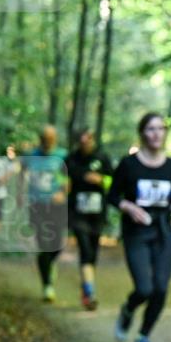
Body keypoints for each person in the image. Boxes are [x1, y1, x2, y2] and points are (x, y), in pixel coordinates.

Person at [108, 113, 171, 342]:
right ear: (142, 133)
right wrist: (130, 207)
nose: (156, 133)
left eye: (160, 128)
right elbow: (113, 196)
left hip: (162, 232)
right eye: (150, 128)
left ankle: (143, 336)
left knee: (160, 288)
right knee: (144, 288)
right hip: (136, 233)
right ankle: (128, 310)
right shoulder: (129, 164)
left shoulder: (170, 166)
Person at [66, 129, 114, 310]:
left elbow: (114, 182)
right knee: (85, 249)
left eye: (88, 139)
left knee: (92, 252)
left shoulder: (102, 158)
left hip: (97, 214)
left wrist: (101, 180)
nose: (85, 143)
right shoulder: (71, 159)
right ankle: (90, 292)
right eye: (82, 140)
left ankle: (86, 288)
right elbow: (62, 182)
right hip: (78, 214)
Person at [21, 125, 69, 302]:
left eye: (51, 139)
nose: (47, 142)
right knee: (44, 245)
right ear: (40, 139)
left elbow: (68, 178)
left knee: (57, 245)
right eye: (44, 138)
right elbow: (22, 173)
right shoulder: (30, 156)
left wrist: (63, 193)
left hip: (56, 207)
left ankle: (50, 263)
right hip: (36, 206)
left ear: (55, 139)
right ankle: (47, 286)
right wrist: (20, 194)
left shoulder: (63, 156)